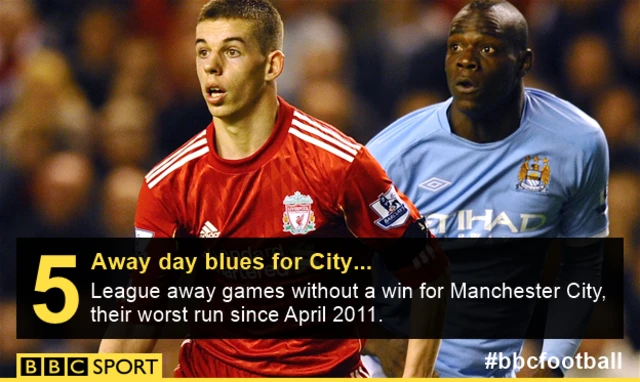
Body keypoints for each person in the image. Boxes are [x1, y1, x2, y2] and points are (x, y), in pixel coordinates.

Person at [98, 0, 449, 378]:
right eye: (203, 52)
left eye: (231, 51)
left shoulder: (338, 163)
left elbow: (429, 271)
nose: (212, 66)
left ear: (272, 65)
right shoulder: (168, 183)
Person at [365, 0, 609, 378]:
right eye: (456, 46)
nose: (467, 59)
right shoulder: (393, 154)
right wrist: (376, 341)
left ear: (524, 62)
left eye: (487, 48)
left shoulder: (576, 143)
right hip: (392, 368)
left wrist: (554, 363)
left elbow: (584, 260)